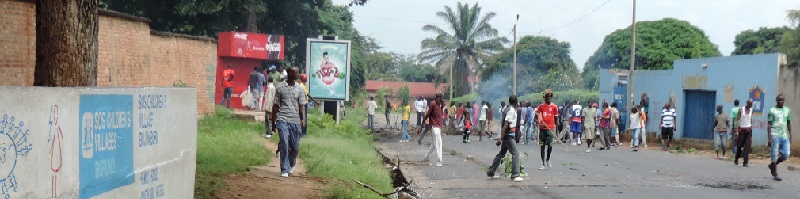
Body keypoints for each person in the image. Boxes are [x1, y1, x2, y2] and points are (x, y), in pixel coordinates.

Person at [270, 67, 307, 178]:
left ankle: (292, 163)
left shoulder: (299, 89)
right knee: (284, 143)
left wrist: (303, 119)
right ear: (290, 74)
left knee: (295, 147)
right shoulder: (280, 87)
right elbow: (276, 105)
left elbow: (302, 106)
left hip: (295, 120)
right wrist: (273, 122)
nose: (298, 74)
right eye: (296, 72)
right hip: (282, 118)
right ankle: (284, 169)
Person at [487, 95, 523, 182]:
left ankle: (491, 171)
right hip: (508, 135)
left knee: (501, 153)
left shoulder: (507, 109)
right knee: (515, 154)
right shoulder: (511, 111)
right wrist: (501, 138)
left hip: (507, 135)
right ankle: (515, 174)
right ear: (516, 101)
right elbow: (506, 125)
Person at [768, 94, 791, 181]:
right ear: (776, 101)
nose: (780, 102)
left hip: (784, 135)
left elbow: (788, 123)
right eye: (779, 100)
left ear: (784, 101)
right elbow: (769, 125)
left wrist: (790, 135)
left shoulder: (787, 110)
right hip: (775, 135)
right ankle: (775, 173)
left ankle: (772, 165)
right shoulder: (772, 110)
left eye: (782, 100)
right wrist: (769, 138)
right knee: (774, 154)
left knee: (786, 154)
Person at [537, 90, 559, 169]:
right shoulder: (541, 107)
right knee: (542, 146)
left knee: (550, 145)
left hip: (550, 129)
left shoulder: (554, 107)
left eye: (549, 96)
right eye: (547, 96)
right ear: (544, 97)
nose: (548, 98)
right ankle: (543, 163)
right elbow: (537, 117)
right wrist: (540, 122)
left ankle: (548, 159)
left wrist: (556, 132)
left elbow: (556, 119)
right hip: (542, 129)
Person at [422, 93, 445, 167]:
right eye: (441, 98)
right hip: (434, 127)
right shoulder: (433, 104)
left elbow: (440, 114)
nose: (441, 99)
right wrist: (422, 123)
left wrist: (442, 106)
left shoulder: (440, 105)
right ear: (438, 97)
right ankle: (439, 161)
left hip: (438, 126)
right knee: (439, 143)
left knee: (434, 144)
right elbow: (428, 114)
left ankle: (427, 157)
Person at [735, 99, 754, 167]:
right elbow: (737, 120)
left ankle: (745, 162)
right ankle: (737, 158)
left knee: (747, 146)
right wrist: (737, 131)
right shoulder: (741, 110)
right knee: (739, 145)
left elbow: (750, 118)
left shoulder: (752, 110)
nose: (750, 105)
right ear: (746, 103)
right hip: (742, 130)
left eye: (751, 104)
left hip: (748, 130)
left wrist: (751, 126)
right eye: (749, 104)